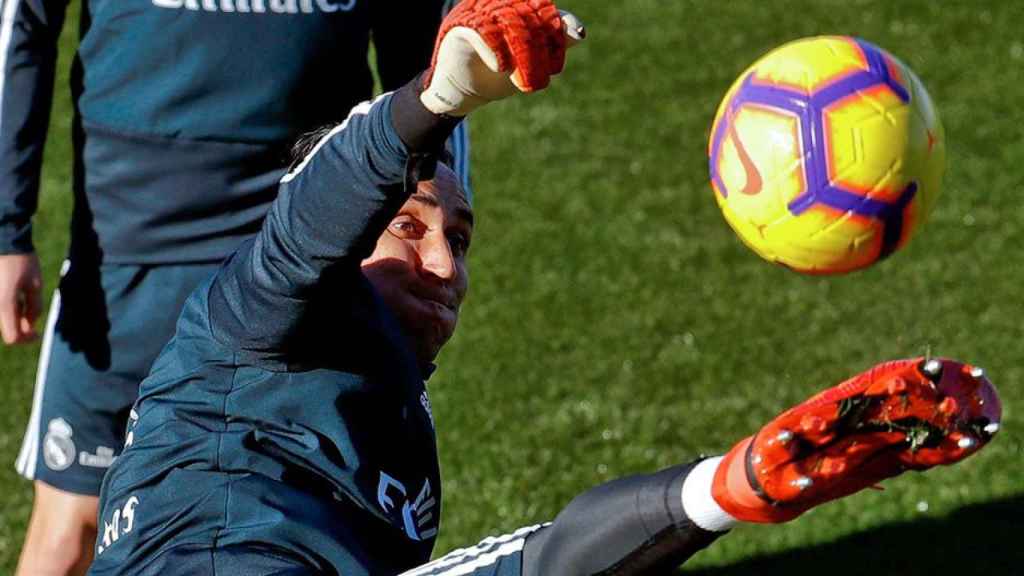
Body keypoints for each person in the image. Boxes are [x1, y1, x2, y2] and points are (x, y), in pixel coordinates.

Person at [87, 0, 1001, 573]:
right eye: (407, 228)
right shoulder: (245, 324)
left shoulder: (402, 446)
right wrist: (431, 104)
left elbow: (526, 562)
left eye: (459, 237)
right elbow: (308, 219)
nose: (444, 266)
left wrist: (732, 489)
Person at [1, 0, 471, 573]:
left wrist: (428, 218)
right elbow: (22, 20)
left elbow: (426, 42)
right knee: (72, 516)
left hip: (317, 220)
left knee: (333, 503)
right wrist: (6, 228)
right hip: (134, 243)